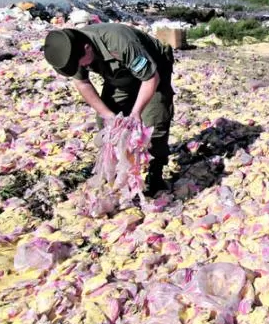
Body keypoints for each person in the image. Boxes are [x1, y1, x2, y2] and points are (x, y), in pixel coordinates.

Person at [43, 24, 175, 196]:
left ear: (87, 48)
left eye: (81, 63)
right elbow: (82, 83)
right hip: (120, 77)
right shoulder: (71, 51)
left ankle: (155, 175)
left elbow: (150, 78)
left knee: (154, 122)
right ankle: (117, 172)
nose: (80, 67)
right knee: (107, 126)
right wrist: (108, 115)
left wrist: (136, 114)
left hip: (154, 70)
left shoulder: (120, 43)